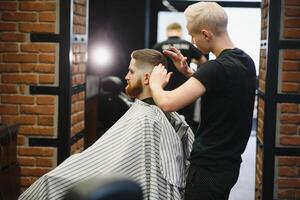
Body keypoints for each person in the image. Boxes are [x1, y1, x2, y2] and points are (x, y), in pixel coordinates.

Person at [18, 49, 194, 200]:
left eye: (131, 72)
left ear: (147, 78)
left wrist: (55, 178)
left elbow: (115, 166)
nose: (126, 76)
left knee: (48, 183)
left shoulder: (146, 118)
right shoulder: (163, 114)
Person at [149, 2, 256, 200]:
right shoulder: (245, 61)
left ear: (206, 34)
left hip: (209, 168)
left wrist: (155, 82)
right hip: (229, 165)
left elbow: (167, 102)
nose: (192, 41)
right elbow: (222, 88)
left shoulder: (216, 67)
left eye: (193, 35)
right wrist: (190, 73)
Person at [153, 22, 207, 131]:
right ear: (180, 31)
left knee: (167, 123)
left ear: (167, 32)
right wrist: (193, 63)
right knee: (187, 124)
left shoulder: (158, 46)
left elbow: (152, 66)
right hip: (187, 90)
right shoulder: (188, 44)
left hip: (166, 89)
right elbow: (204, 62)